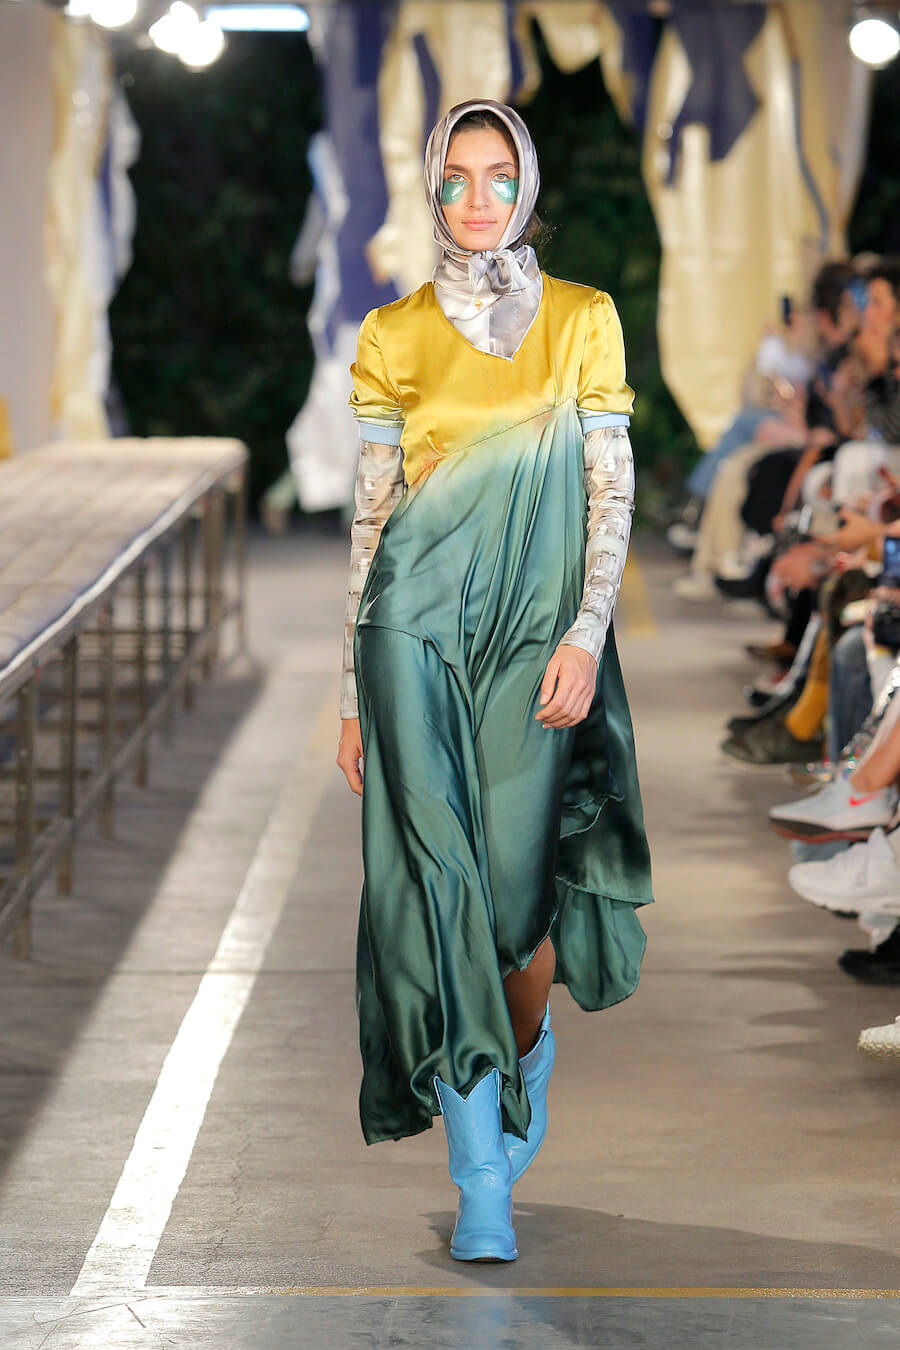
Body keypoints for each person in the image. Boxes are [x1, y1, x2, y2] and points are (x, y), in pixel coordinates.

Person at [335, 99, 652, 1263]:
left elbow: (610, 489)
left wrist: (586, 635)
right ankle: (480, 1178)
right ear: (433, 189)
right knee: (439, 891)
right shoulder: (392, 333)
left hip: (533, 640)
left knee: (515, 914)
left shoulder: (582, 320)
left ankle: (524, 1057)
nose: (478, 198)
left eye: (499, 175)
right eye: (458, 178)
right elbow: (372, 519)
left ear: (527, 188)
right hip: (409, 633)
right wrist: (351, 692)